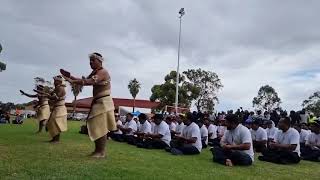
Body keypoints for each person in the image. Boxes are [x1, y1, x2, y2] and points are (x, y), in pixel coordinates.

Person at [61, 52, 116, 158]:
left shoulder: (103, 72)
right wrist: (71, 77)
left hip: (103, 102)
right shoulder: (95, 72)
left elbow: (89, 81)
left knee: (101, 126)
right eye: (90, 61)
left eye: (93, 60)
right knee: (96, 125)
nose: (90, 62)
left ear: (99, 61)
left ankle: (101, 152)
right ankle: (98, 150)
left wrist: (72, 80)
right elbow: (85, 80)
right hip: (99, 102)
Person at [40, 75, 68, 143]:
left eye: (55, 80)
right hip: (57, 108)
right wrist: (44, 94)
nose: (54, 82)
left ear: (59, 81)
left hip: (60, 108)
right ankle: (54, 138)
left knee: (55, 123)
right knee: (51, 123)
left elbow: (55, 97)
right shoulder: (57, 88)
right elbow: (50, 94)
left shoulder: (61, 88)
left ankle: (56, 140)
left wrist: (48, 96)